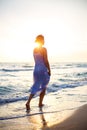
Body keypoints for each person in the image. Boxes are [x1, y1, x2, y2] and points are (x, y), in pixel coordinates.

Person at [26, 34, 51, 111]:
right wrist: (49, 69)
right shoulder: (44, 49)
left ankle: (28, 102)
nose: (44, 41)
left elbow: (36, 61)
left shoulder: (34, 49)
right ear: (41, 40)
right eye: (43, 39)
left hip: (36, 69)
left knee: (36, 85)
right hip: (42, 69)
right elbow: (46, 60)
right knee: (44, 86)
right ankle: (40, 103)